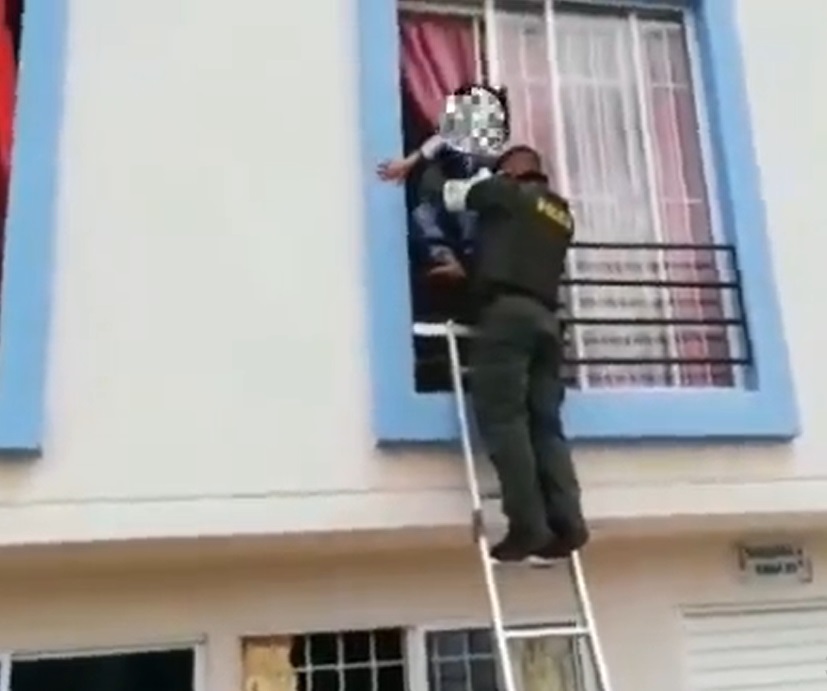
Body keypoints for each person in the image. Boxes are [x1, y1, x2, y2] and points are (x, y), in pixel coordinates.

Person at [420, 144, 589, 562]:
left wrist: (435, 161)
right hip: (547, 324)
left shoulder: (505, 192)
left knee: (505, 421)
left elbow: (445, 194)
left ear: (512, 171)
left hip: (507, 318)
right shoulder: (562, 214)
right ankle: (568, 523)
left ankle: (528, 526)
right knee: (545, 427)